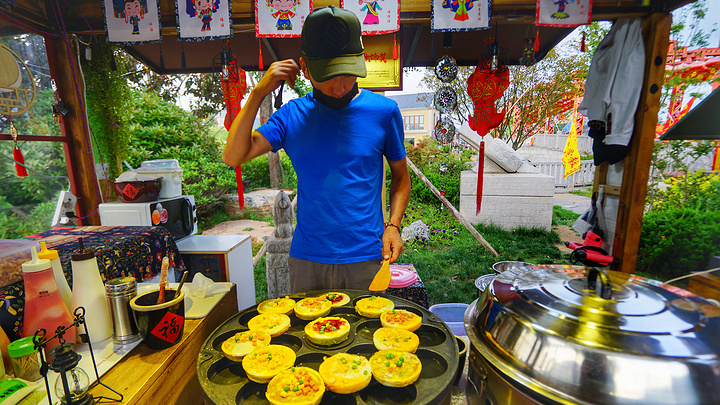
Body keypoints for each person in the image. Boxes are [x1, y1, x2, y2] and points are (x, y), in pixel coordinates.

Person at [223, 5, 410, 293]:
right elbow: (233, 156)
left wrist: (394, 226)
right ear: (305, 67)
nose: (339, 85)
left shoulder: (384, 112)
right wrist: (259, 91)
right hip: (308, 259)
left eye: (347, 73)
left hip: (366, 257)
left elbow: (401, 176)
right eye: (328, 75)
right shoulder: (291, 116)